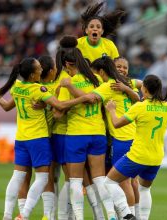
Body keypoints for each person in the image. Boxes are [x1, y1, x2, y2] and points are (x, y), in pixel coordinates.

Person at [0, 57, 94, 220]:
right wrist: (83, 98)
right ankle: (24, 214)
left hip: (21, 138)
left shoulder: (17, 87)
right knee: (43, 178)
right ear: (33, 74)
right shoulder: (38, 89)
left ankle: (7, 215)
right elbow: (60, 106)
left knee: (17, 177)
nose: (41, 70)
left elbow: (6, 106)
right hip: (38, 138)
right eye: (39, 68)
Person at [57, 36, 116, 220]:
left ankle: (79, 218)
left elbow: (58, 114)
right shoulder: (97, 78)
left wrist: (66, 100)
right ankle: (109, 215)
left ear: (67, 63)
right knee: (99, 179)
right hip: (98, 133)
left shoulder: (68, 81)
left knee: (75, 181)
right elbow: (95, 99)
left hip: (76, 135)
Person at [104, 75, 167, 220]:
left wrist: (111, 110)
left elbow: (116, 124)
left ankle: (126, 214)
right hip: (156, 157)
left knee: (109, 181)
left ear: (145, 89)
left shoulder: (139, 107)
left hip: (138, 155)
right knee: (144, 188)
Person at [114, 56, 142, 217]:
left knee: (124, 181)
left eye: (125, 67)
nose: (122, 69)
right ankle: (137, 215)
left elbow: (138, 99)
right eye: (118, 66)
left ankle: (130, 215)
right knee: (132, 181)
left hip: (125, 137)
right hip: (128, 137)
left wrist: (125, 88)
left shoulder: (129, 85)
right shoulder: (110, 83)